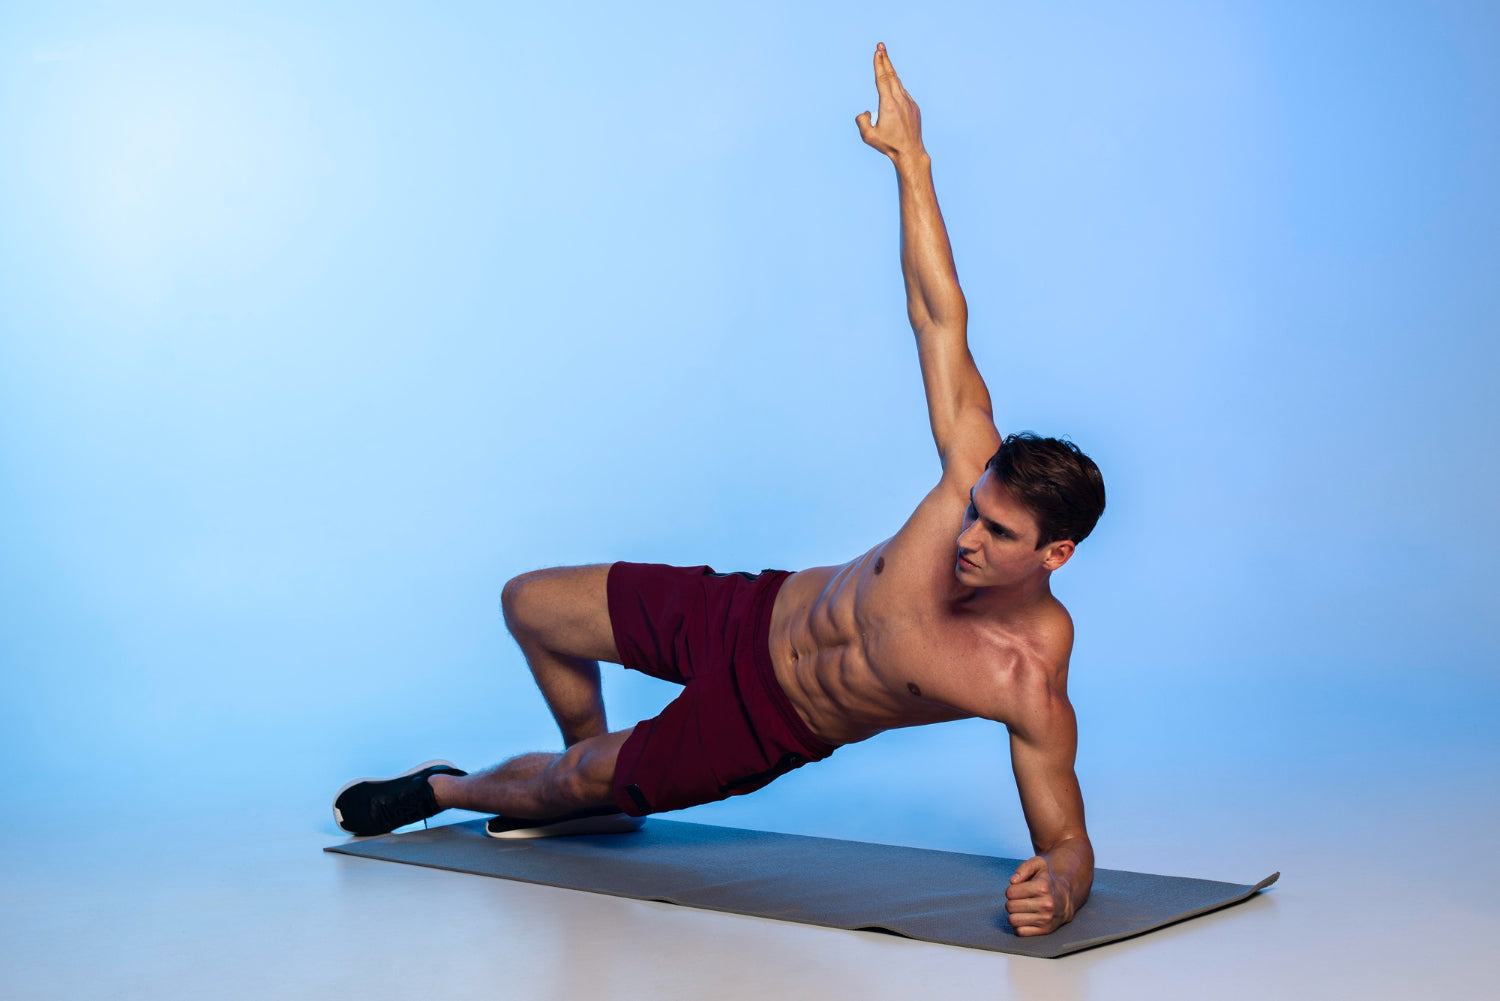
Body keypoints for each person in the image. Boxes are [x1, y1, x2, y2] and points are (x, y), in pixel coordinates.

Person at [333, 42, 1105, 938]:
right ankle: (594, 777)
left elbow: (1069, 839)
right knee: (529, 603)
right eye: (974, 511)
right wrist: (912, 161)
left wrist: (1063, 884)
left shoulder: (1025, 679)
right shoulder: (974, 465)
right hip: (748, 611)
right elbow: (940, 313)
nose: (968, 534)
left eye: (999, 534)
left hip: (762, 720)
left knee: (558, 787)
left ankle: (450, 784)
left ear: (1056, 554)